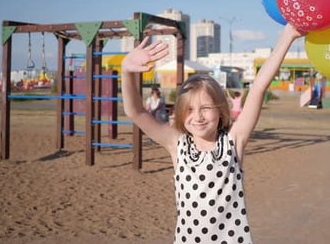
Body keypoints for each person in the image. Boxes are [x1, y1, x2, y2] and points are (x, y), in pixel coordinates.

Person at [121, 24, 304, 244]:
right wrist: (126, 71)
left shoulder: (233, 142)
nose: (197, 117)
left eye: (206, 108)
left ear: (220, 109)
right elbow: (136, 111)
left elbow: (258, 88)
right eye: (189, 109)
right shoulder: (176, 145)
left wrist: (287, 37)